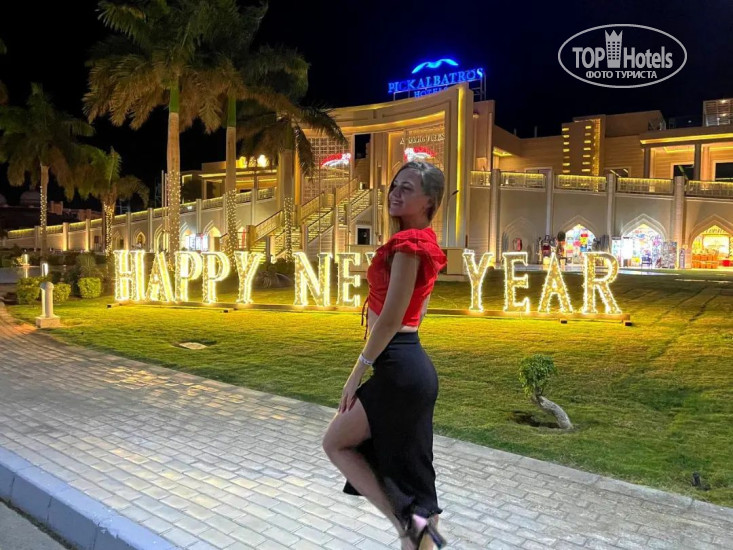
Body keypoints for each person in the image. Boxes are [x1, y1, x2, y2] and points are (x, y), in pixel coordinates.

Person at [322, 161, 448, 549]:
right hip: (408, 366)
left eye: (407, 188)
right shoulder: (423, 242)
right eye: (395, 185)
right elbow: (417, 313)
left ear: (429, 201)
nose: (395, 192)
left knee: (337, 442)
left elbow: (392, 319)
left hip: (399, 369)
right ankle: (415, 526)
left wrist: (356, 374)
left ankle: (408, 524)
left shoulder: (410, 246)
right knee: (410, 474)